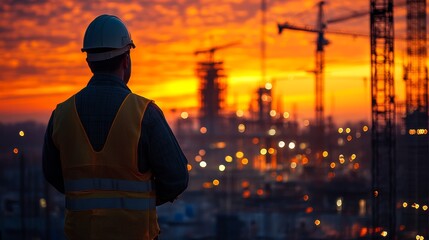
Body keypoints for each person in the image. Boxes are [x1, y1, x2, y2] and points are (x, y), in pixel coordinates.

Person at [42, 14, 189, 240]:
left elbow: (52, 174)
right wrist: (141, 198)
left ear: (89, 61)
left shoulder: (61, 115)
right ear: (125, 60)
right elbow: (177, 177)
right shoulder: (144, 114)